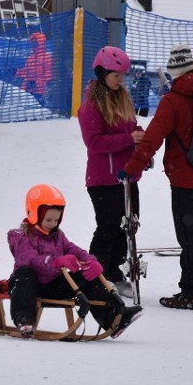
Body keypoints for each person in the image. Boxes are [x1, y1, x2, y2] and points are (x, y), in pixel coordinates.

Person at [120, 44, 193, 311]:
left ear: (174, 73)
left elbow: (152, 140)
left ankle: (190, 292)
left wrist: (132, 167)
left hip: (187, 182)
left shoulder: (173, 101)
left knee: (192, 239)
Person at [7, 183, 143, 339]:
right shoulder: (19, 236)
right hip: (27, 287)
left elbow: (74, 250)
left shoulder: (58, 236)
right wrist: (56, 262)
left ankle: (115, 319)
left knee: (86, 277)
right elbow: (28, 259)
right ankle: (24, 319)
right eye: (48, 219)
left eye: (56, 220)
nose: (52, 224)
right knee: (25, 271)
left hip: (52, 285)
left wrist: (91, 261)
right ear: (34, 214)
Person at [77, 46, 144, 299]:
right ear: (103, 72)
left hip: (127, 176)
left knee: (128, 227)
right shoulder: (91, 105)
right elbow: (94, 142)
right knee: (108, 227)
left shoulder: (122, 98)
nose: (121, 79)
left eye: (122, 75)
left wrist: (141, 147)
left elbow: (133, 127)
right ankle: (96, 276)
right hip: (103, 179)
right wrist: (129, 138)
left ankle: (115, 273)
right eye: (116, 74)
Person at [15, 32, 52, 103]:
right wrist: (16, 71)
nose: (33, 45)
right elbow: (26, 72)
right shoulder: (30, 58)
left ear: (41, 43)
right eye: (32, 42)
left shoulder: (47, 58)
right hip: (27, 90)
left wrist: (36, 83)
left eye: (35, 43)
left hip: (39, 93)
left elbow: (49, 77)